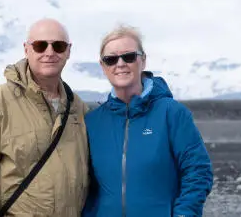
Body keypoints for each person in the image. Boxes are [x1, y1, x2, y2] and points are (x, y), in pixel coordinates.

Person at [0, 18, 90, 217]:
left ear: (68, 51)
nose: (49, 52)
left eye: (59, 46)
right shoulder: (0, 102)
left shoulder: (79, 109)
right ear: (26, 49)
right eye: (40, 45)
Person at [82, 24, 214, 217]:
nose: (120, 64)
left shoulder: (172, 114)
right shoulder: (93, 122)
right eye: (111, 59)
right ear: (103, 67)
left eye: (128, 56)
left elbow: (198, 171)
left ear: (142, 61)